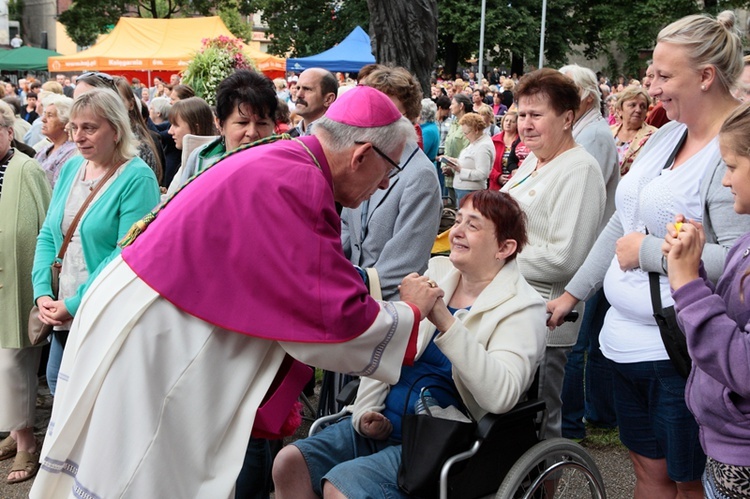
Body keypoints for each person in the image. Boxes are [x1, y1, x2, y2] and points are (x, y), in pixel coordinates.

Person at [29, 84, 443, 499]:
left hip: (149, 307)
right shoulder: (301, 181)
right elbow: (329, 313)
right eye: (390, 168)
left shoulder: (290, 158)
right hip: (159, 336)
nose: (386, 181)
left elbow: (306, 276)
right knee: (146, 470)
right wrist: (409, 312)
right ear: (363, 155)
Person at [548, 12, 750, 497]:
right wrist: (575, 292)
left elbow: (739, 265)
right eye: (650, 72)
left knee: (689, 485)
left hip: (682, 353)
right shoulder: (665, 136)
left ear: (705, 77)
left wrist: (652, 253)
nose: (650, 85)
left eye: (663, 75)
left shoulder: (735, 155)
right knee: (647, 474)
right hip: (624, 344)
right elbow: (624, 220)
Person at [272, 190, 547, 499]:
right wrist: (365, 412)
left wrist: (445, 320)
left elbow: (500, 396)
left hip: (443, 442)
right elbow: (390, 349)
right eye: (457, 220)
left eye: (473, 225)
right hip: (386, 422)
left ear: (504, 247)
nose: (455, 232)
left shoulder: (522, 307)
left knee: (341, 486)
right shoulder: (438, 274)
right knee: (289, 463)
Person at [31, 88, 161, 401]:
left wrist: (73, 305)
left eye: (89, 128)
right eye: (73, 127)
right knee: (58, 387)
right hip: (63, 310)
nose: (78, 137)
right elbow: (50, 233)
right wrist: (42, 293)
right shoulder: (72, 168)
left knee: (94, 402)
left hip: (105, 314)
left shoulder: (136, 178)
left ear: (116, 130)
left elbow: (127, 256)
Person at [501, 68, 607, 441]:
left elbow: (567, 257)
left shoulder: (580, 169)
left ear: (567, 118)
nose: (525, 124)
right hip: (508, 309)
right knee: (509, 421)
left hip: (544, 320)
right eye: (521, 114)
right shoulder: (533, 160)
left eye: (536, 115)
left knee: (540, 423)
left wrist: (494, 259)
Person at [664, 103, 750, 499]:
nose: (726, 181)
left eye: (731, 167)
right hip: (726, 443)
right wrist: (694, 270)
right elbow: (724, 323)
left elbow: (743, 366)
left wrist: (685, 284)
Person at [341, 67, 442, 301]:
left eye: (392, 113)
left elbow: (404, 264)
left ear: (411, 117)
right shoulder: (364, 160)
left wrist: (347, 287)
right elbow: (345, 229)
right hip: (354, 298)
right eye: (374, 110)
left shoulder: (420, 175)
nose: (380, 120)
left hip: (390, 308)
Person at [0, 100, 52, 485]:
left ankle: (25, 442)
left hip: (16, 278)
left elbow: (46, 227)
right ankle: (10, 429)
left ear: (8, 132)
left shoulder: (27, 169)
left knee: (13, 363)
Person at [171, 70, 277, 190]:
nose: (252, 133)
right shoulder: (200, 159)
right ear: (220, 124)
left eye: (262, 123)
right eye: (242, 123)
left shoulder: (285, 165)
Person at [442, 112, 495, 204]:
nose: (465, 136)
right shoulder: (476, 142)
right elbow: (469, 162)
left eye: (466, 133)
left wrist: (460, 170)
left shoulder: (483, 147)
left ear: (476, 130)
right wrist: (453, 160)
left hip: (471, 191)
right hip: (465, 189)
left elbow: (483, 174)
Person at [34, 94, 78, 187]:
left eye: (50, 115)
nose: (43, 120)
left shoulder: (72, 152)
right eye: (44, 114)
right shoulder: (44, 149)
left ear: (65, 122)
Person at [611, 86, 657, 175]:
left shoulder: (654, 135)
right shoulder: (609, 131)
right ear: (620, 110)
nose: (638, 110)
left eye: (643, 106)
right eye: (632, 105)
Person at [441, 93, 471, 205]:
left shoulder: (468, 125)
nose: (450, 107)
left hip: (462, 177)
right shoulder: (453, 123)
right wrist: (444, 166)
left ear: (461, 106)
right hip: (450, 178)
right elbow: (447, 148)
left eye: (452, 104)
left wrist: (452, 169)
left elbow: (467, 152)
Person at [292, 68, 338, 136]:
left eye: (307, 89)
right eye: (298, 88)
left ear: (328, 99)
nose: (298, 94)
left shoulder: (340, 139)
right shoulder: (287, 137)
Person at [488, 112, 527, 190]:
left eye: (512, 121)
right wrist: (497, 177)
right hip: (495, 186)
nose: (508, 123)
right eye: (506, 120)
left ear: (517, 124)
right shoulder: (493, 140)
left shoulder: (523, 141)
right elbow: (486, 164)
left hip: (516, 185)